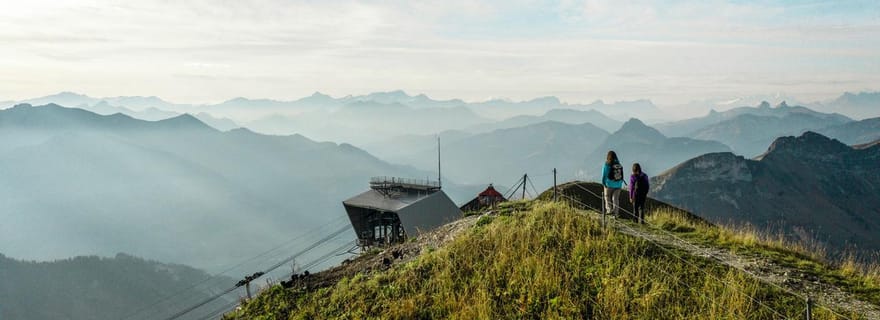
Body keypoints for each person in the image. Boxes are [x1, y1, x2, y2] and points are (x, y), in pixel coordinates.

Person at [601, 151, 625, 217]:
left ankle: (609, 210)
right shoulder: (619, 164)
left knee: (607, 197)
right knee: (616, 199)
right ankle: (616, 213)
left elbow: (604, 175)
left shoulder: (607, 164)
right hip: (618, 185)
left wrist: (603, 183)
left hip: (609, 184)